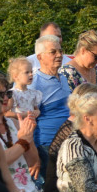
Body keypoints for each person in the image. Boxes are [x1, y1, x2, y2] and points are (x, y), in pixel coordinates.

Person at [0, 74, 45, 192]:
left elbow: (32, 163)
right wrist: (23, 141)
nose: (6, 98)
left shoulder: (14, 123)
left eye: (8, 93)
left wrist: (28, 135)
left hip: (25, 190)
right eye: (0, 94)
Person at [32, 35, 71, 180]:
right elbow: (28, 118)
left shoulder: (65, 78)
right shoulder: (35, 83)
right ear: (40, 57)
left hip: (68, 144)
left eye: (60, 51)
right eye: (53, 52)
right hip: (47, 146)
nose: (59, 55)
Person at [7, 56, 42, 120]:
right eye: (27, 72)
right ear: (16, 76)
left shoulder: (32, 93)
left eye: (31, 72)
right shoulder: (12, 94)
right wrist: (22, 115)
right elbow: (6, 113)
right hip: (19, 126)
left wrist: (37, 112)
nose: (31, 74)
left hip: (32, 125)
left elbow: (36, 109)